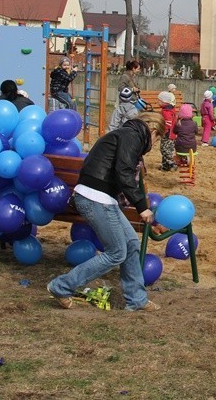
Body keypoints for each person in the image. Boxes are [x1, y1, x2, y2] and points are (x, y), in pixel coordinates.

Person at [47, 112, 167, 310]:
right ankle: (61, 286)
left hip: (101, 197)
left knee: (130, 244)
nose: (153, 144)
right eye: (157, 138)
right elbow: (124, 171)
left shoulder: (125, 134)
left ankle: (136, 300)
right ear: (153, 131)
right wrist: (142, 207)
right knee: (117, 252)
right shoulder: (133, 136)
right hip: (96, 198)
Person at [157, 91, 177, 171]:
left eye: (159, 101)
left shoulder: (167, 112)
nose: (157, 102)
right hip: (171, 134)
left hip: (168, 134)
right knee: (165, 149)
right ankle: (165, 166)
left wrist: (162, 131)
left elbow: (168, 124)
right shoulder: (169, 109)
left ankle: (172, 164)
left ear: (164, 102)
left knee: (165, 150)